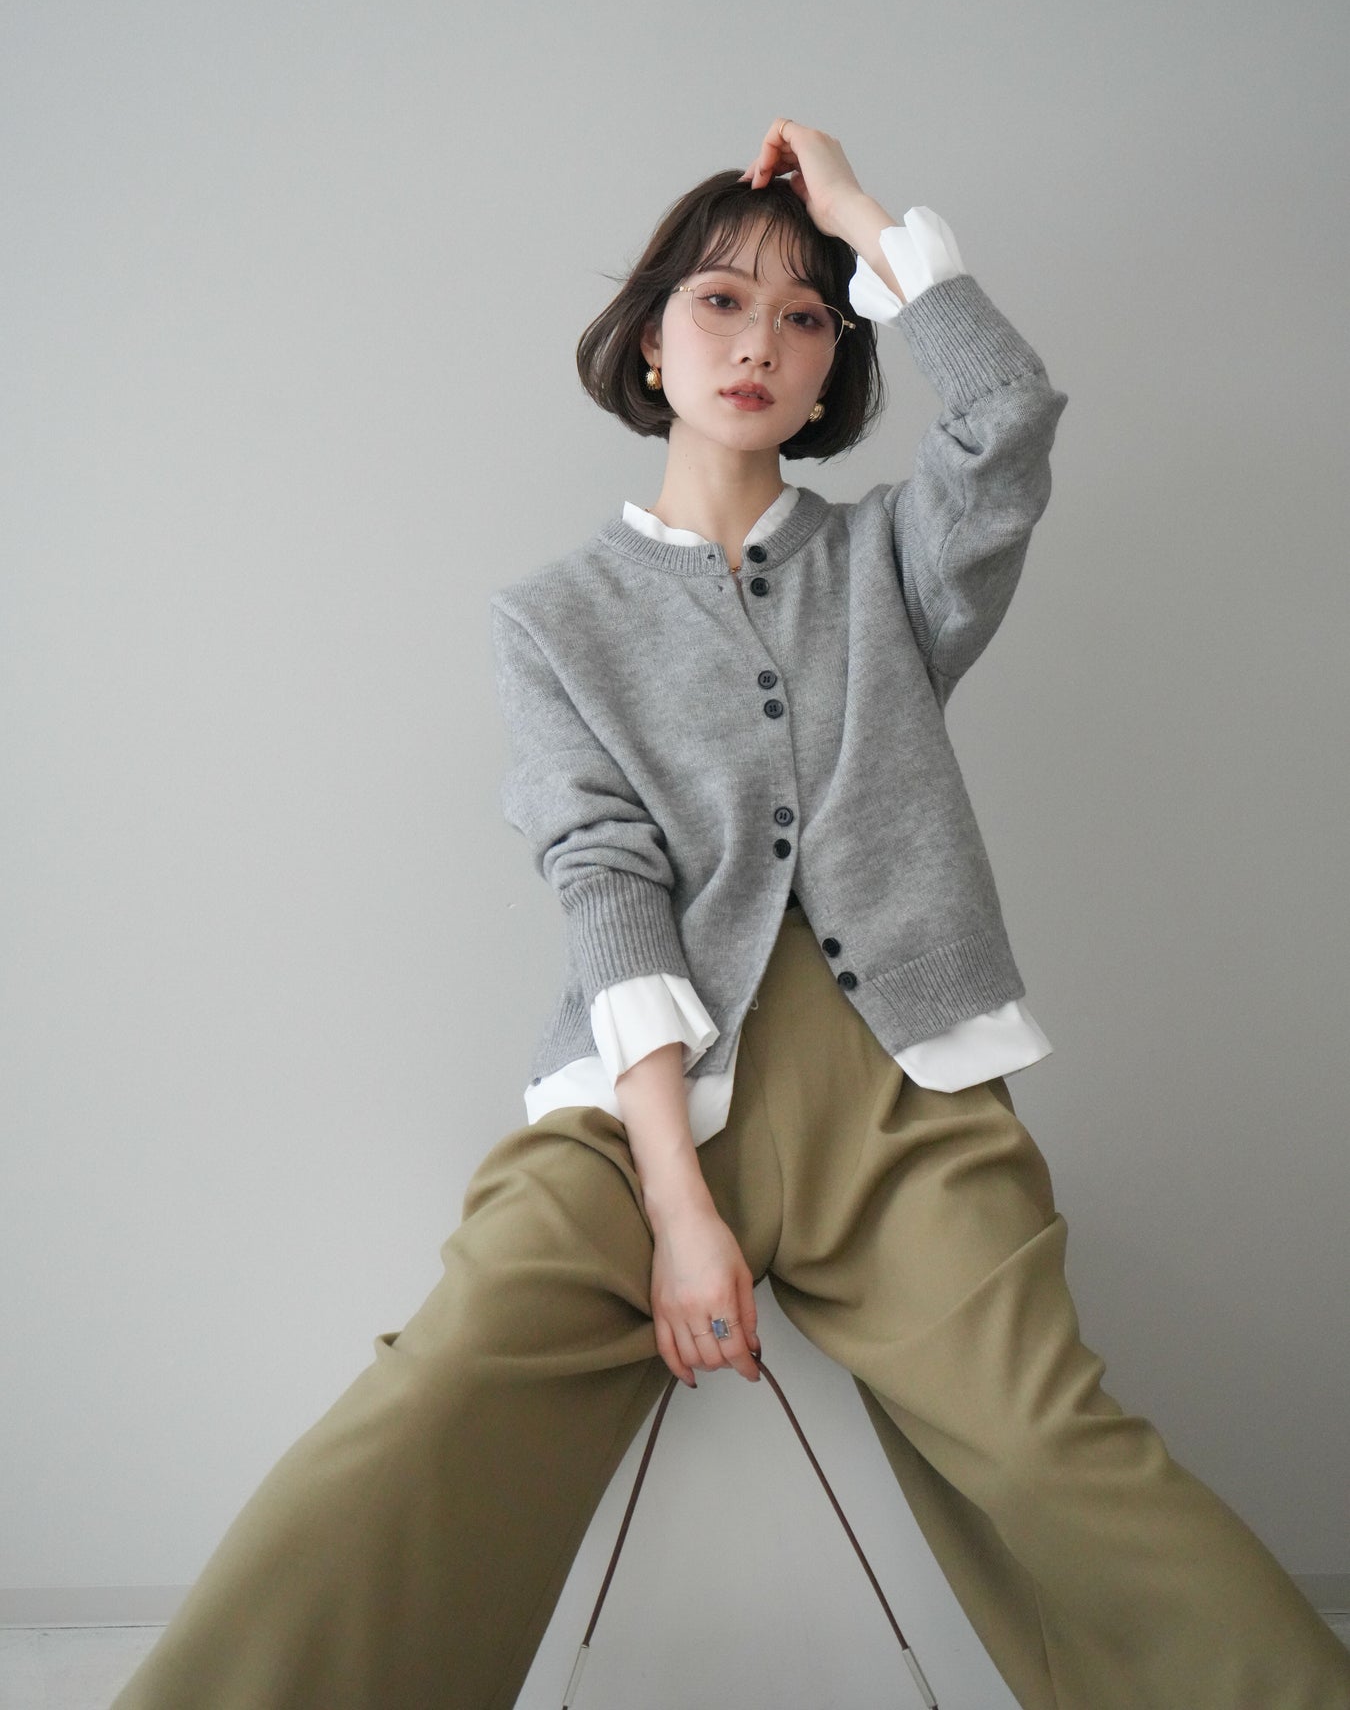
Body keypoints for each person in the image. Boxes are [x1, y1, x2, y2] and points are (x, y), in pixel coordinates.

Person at [112, 120, 1350, 1710]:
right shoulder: (554, 618)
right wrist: (678, 1207)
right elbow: (602, 880)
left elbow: (1006, 416)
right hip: (644, 1107)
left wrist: (860, 217)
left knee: (1056, 1450)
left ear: (833, 367)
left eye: (802, 316)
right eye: (718, 302)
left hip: (900, 1106)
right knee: (426, 1405)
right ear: (651, 338)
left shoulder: (892, 563)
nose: (758, 343)